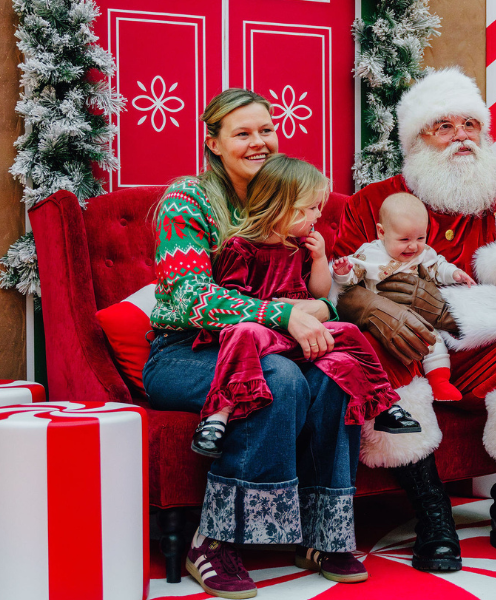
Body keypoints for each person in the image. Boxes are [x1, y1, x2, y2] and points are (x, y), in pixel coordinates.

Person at [334, 68, 496, 571]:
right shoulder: (371, 204)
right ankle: (432, 513)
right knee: (378, 345)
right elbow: (342, 290)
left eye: (470, 124)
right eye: (443, 126)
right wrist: (382, 310)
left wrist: (439, 311)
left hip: (482, 356)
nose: (461, 135)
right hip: (407, 353)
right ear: (415, 141)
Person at [143, 89, 367, 597]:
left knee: (336, 372)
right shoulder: (188, 199)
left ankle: (323, 533)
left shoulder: (285, 196)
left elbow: (311, 295)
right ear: (214, 143)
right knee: (278, 378)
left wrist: (318, 311)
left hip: (270, 343)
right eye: (241, 133)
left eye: (265, 130)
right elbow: (186, 299)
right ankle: (214, 540)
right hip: (186, 353)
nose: (258, 142)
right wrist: (285, 314)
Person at [190, 154, 422, 461]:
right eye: (311, 208)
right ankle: (217, 417)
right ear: (281, 207)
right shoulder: (241, 247)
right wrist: (278, 311)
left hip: (303, 334)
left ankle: (383, 404)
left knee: (349, 332)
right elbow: (232, 301)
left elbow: (319, 292)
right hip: (263, 333)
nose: (317, 214)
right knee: (241, 332)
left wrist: (319, 259)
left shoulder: (301, 245)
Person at [331, 192, 476, 401]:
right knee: (380, 349)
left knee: (433, 340)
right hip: (384, 320)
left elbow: (437, 266)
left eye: (420, 237)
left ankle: (440, 383)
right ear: (381, 232)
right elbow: (350, 281)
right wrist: (343, 272)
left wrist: (454, 273)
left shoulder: (422, 253)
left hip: (419, 314)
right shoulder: (369, 254)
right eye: (404, 239)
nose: (413, 246)